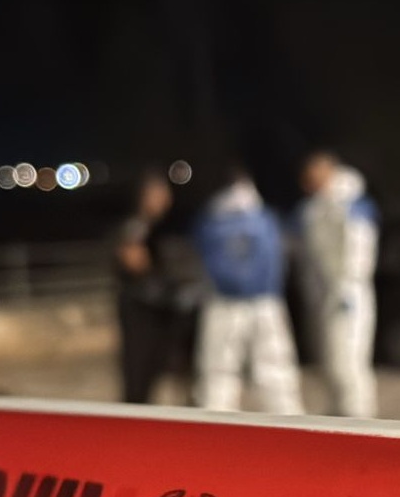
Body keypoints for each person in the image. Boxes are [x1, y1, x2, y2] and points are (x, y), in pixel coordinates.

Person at [194, 170, 304, 414]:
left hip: (233, 304)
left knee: (221, 374)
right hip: (257, 304)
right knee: (274, 373)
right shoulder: (266, 219)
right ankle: (289, 428)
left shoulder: (210, 221)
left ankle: (218, 429)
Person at [297, 151, 379, 418]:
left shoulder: (351, 203)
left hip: (347, 292)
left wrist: (347, 286)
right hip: (324, 294)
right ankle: (340, 415)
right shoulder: (316, 207)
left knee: (348, 360)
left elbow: (359, 249)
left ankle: (359, 418)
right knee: (330, 359)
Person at [113, 174, 197, 404]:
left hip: (171, 312)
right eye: (155, 194)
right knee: (139, 381)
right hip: (143, 313)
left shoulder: (174, 227)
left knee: (182, 377)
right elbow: (134, 261)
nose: (162, 199)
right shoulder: (136, 227)